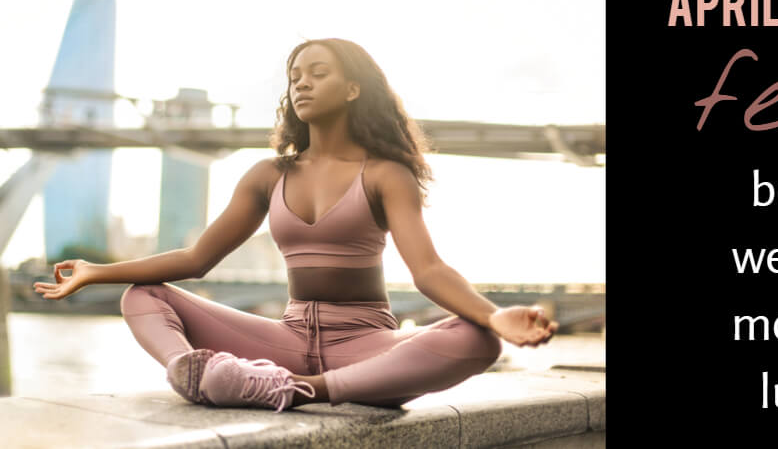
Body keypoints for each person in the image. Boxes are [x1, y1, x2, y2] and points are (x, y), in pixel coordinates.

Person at [33, 38, 558, 413]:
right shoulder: (268, 175)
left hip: (365, 346)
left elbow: (428, 270)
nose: (301, 82)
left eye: (318, 72)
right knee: (142, 295)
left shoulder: (384, 174)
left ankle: (301, 390)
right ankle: (191, 372)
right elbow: (196, 260)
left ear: (354, 89)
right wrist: (96, 270)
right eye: (295, 76)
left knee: (477, 343)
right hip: (283, 337)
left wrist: (494, 318)